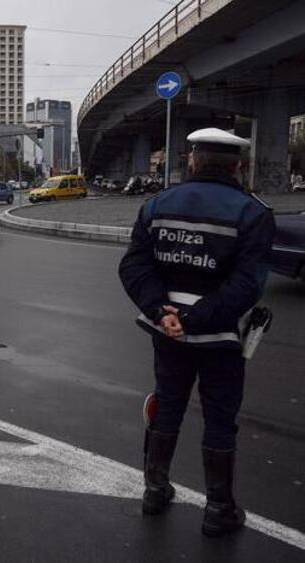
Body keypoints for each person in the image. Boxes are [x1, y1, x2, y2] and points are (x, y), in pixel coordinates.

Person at [118, 128, 276, 537]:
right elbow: (247, 285)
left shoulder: (157, 205)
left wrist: (163, 313)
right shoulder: (253, 213)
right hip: (220, 339)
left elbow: (134, 267)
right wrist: (196, 318)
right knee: (220, 418)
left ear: (192, 161)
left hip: (166, 334)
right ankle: (218, 509)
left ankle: (154, 490)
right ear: (238, 166)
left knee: (168, 405)